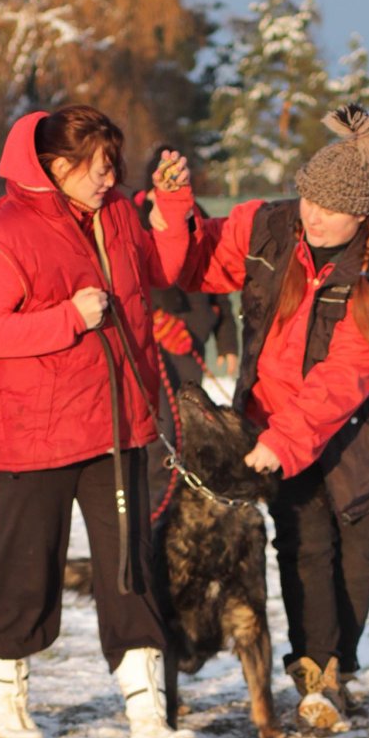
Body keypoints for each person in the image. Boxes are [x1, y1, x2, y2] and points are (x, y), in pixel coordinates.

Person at [0, 104, 198, 738]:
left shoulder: (116, 213)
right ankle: (5, 695)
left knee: (129, 570)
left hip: (115, 424)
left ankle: (148, 719)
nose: (106, 175)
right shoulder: (0, 236)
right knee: (26, 569)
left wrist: (171, 209)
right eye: (93, 165)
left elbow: (159, 270)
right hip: (33, 433)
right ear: (53, 166)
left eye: (111, 162)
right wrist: (67, 318)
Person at [170, 103, 369, 733]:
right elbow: (194, 263)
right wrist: (177, 211)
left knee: (356, 558)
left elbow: (345, 377)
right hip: (274, 426)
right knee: (304, 546)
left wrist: (286, 438)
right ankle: (316, 678)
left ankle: (339, 665)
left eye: (329, 209)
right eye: (308, 198)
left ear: (363, 216)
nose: (312, 214)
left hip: (366, 437)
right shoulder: (269, 227)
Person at [134, 147, 239, 513]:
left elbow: (219, 289)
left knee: (185, 422)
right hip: (151, 344)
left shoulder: (199, 217)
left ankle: (182, 497)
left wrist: (228, 342)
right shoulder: (131, 219)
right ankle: (156, 505)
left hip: (192, 339)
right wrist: (150, 321)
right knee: (160, 426)